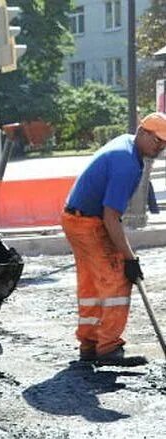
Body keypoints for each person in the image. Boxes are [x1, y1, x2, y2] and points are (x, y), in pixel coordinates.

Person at [63, 112, 166, 365]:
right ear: (142, 132)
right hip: (89, 222)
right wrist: (130, 259)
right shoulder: (127, 164)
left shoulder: (127, 144)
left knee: (91, 283)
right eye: (157, 140)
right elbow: (111, 217)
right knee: (117, 279)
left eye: (164, 143)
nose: (160, 147)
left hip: (74, 218)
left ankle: (89, 343)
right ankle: (108, 347)